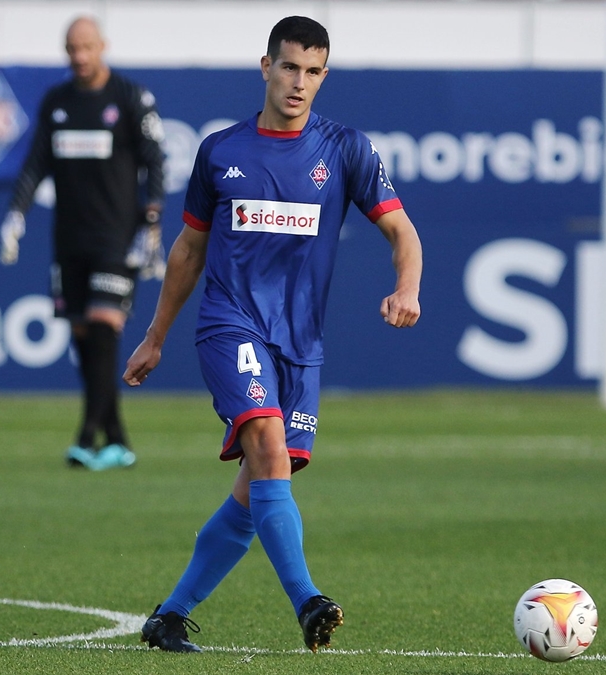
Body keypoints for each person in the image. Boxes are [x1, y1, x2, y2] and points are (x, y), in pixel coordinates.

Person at [122, 16, 422, 653]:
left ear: (324, 77)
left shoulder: (345, 150)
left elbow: (402, 232)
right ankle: (308, 601)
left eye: (313, 72)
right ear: (265, 67)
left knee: (261, 485)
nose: (299, 83)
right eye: (289, 67)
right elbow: (188, 250)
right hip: (229, 322)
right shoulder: (222, 151)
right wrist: (156, 335)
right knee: (264, 441)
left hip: (301, 346)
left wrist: (408, 288)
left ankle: (169, 616)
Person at [0, 16, 167, 471]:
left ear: (102, 46)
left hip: (116, 237)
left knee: (103, 327)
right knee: (83, 338)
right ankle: (116, 439)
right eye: (72, 49)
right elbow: (35, 164)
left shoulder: (130, 98)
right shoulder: (57, 102)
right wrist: (17, 213)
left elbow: (155, 160)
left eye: (87, 47)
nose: (79, 57)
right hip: (69, 240)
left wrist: (151, 219)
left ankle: (84, 436)